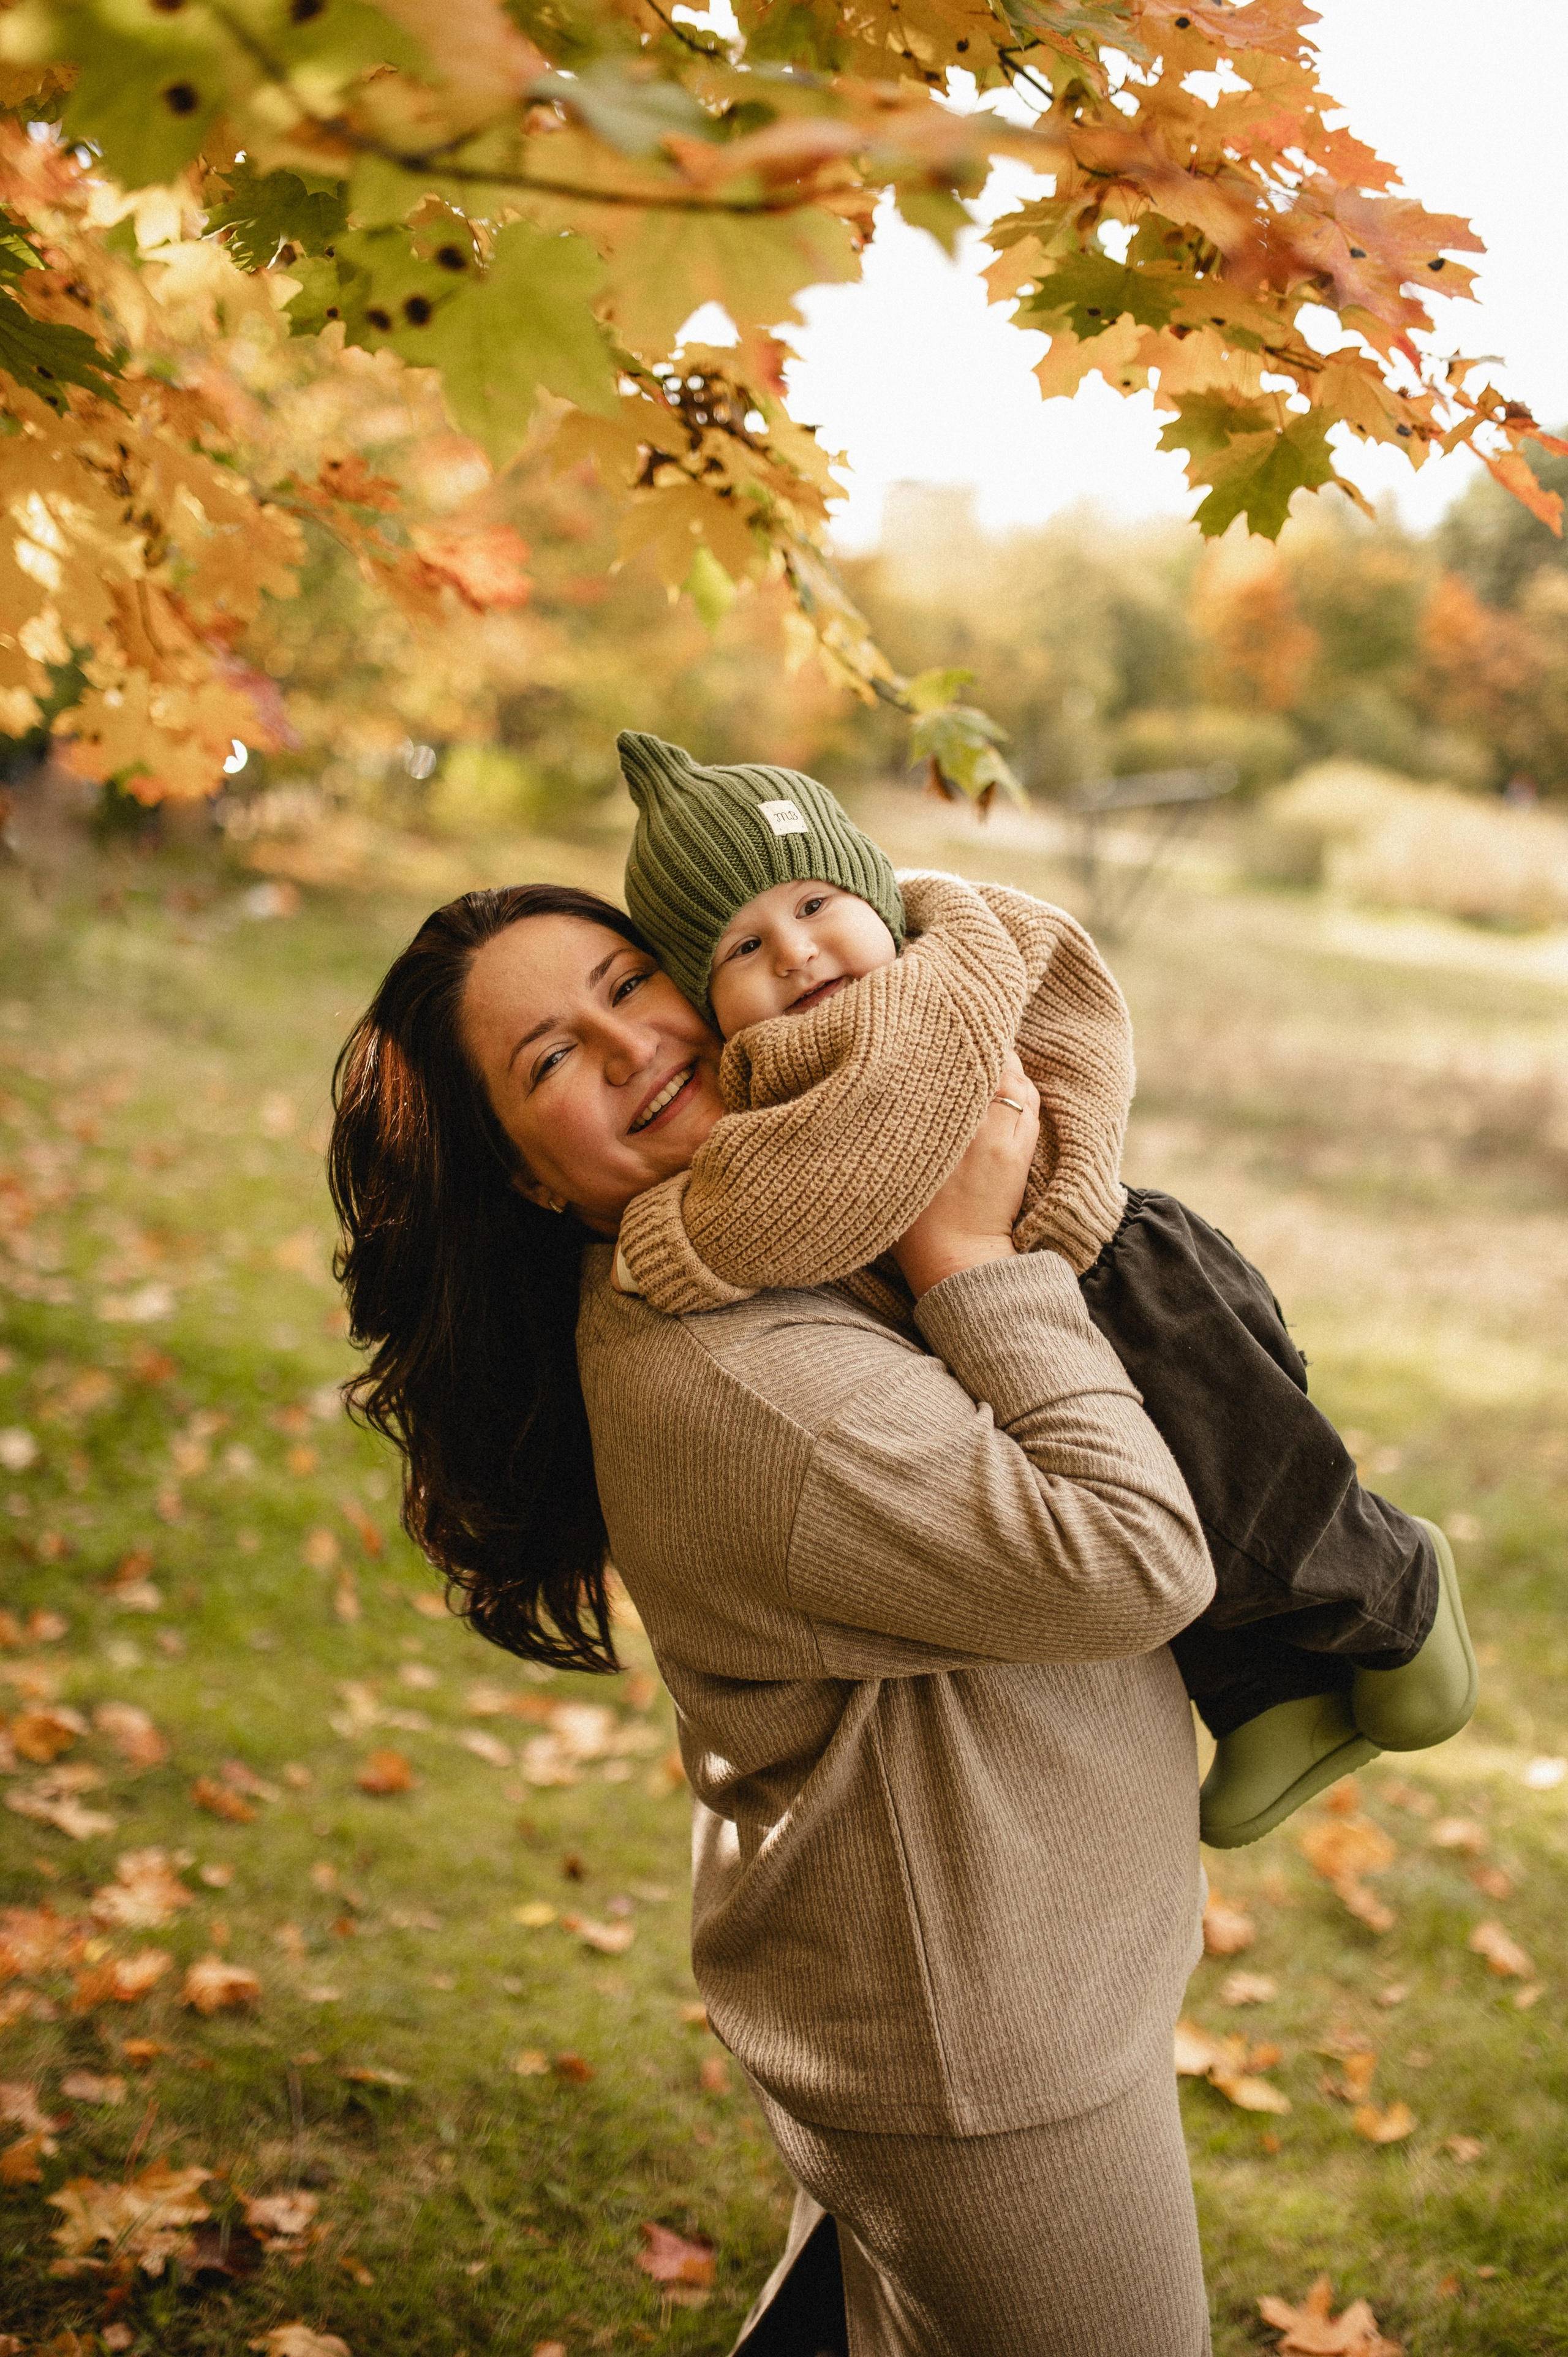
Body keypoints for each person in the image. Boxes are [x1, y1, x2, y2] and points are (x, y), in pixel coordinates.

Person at [330, 880, 1219, 2355]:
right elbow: (1133, 1556)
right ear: (528, 1183)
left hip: (952, 1986)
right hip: (984, 2059)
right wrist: (969, 1262)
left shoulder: (761, 1232)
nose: (628, 1046)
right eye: (549, 1060)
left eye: (628, 981)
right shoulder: (733, 1380)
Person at [607, 732, 1479, 1849]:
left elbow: (810, 1191)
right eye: (741, 945)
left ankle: (1401, 1600)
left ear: (875, 890)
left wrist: (681, 1238)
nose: (796, 953)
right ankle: (1275, 1700)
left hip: (1126, 1279)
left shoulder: (919, 997)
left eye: (817, 902)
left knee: (1246, 1493)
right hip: (1030, 1298)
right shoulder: (813, 1050)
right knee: (1173, 1520)